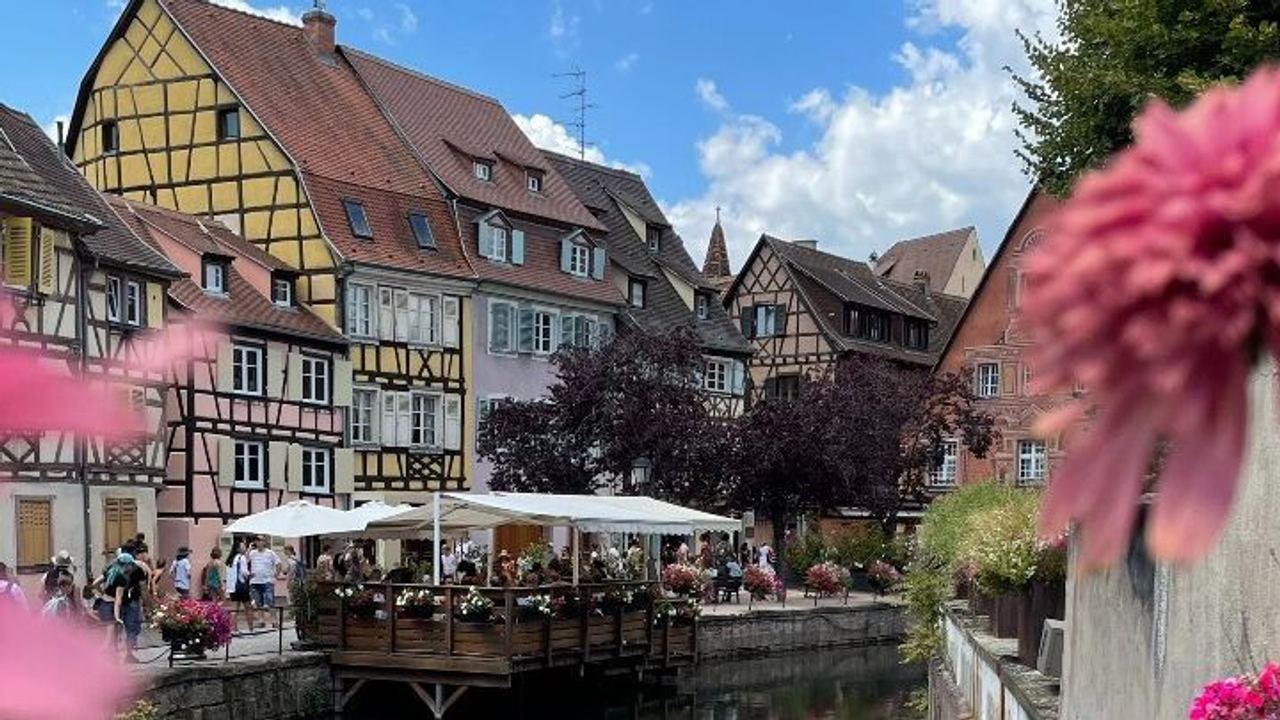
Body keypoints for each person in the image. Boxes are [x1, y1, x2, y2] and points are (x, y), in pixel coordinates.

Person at [108, 552, 145, 663]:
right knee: (128, 627)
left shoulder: (138, 571)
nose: (123, 568)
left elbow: (143, 589)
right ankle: (126, 654)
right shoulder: (117, 573)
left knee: (132, 627)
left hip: (130, 601)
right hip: (122, 602)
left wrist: (146, 603)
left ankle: (126, 653)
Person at [246, 538, 279, 629]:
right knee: (258, 602)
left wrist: (276, 575)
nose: (258, 542)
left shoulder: (270, 553)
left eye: (260, 540)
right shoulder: (252, 553)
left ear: (264, 542)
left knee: (269, 601)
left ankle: (274, 621)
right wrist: (249, 549)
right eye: (257, 541)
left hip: (267, 581)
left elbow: (278, 563)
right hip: (255, 581)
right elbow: (245, 560)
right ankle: (261, 620)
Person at [227, 540, 253, 632]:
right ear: (238, 549)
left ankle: (234, 628)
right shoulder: (242, 558)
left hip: (232, 587)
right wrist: (251, 575)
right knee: (248, 607)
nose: (245, 548)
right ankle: (250, 628)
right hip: (241, 586)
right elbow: (244, 572)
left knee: (235, 609)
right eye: (243, 546)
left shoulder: (231, 559)